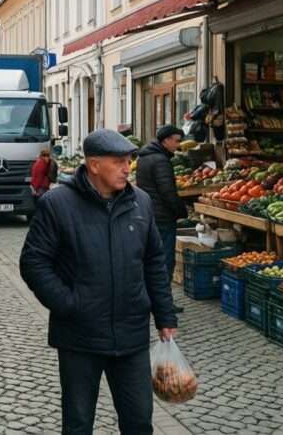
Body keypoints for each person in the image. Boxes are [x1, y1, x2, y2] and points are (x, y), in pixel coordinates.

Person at [19, 129, 178, 435]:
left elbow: (154, 262)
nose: (127, 168)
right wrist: (70, 304)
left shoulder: (140, 203)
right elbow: (33, 263)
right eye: (119, 162)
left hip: (131, 335)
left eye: (128, 161)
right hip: (80, 337)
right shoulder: (58, 204)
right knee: (78, 424)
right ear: (93, 165)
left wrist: (165, 315)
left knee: (139, 421)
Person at [136, 125, 190, 314]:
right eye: (176, 140)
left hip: (149, 214)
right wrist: (181, 211)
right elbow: (168, 193)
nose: (178, 144)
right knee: (165, 260)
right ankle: (163, 303)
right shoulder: (161, 161)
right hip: (163, 218)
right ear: (165, 140)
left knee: (150, 259)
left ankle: (150, 298)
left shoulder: (144, 157)